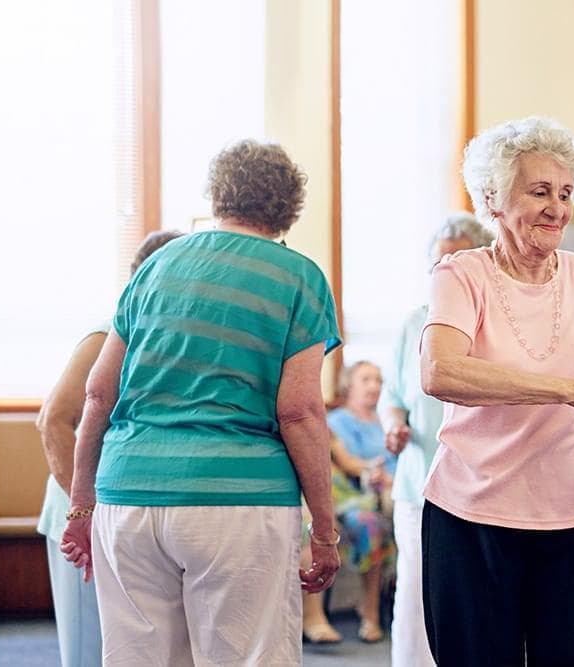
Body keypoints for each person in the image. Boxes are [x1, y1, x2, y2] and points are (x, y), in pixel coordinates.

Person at [59, 139, 344, 664]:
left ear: (219, 195)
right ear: (288, 207)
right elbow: (299, 411)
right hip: (237, 502)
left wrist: (81, 507)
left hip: (128, 497)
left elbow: (99, 393)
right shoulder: (298, 277)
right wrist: (323, 531)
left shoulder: (156, 265)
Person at [419, 116, 574, 666]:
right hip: (468, 518)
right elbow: (441, 373)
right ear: (493, 199)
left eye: (566, 193)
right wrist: (566, 390)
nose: (558, 208)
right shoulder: (460, 274)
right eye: (540, 191)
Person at [36, 230, 181, 667]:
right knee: (88, 650)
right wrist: (88, 512)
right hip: (81, 513)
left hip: (128, 515)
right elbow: (53, 422)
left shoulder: (161, 339)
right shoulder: (106, 335)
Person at [379, 212, 494, 667]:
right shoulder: (415, 322)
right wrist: (393, 426)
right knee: (413, 596)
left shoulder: (491, 318)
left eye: (454, 261)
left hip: (483, 487)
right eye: (436, 263)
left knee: (476, 600)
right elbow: (394, 396)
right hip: (418, 483)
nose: (442, 272)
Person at [304, 361, 395, 644]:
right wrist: (372, 472)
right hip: (353, 496)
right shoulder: (336, 421)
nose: (374, 386)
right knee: (369, 524)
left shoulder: (387, 421)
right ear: (348, 384)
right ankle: (369, 611)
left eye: (378, 380)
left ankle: (375, 609)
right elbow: (347, 465)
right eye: (366, 379)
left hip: (387, 492)